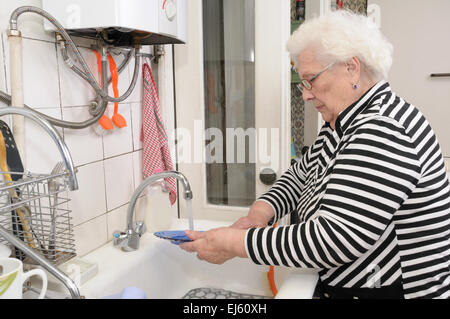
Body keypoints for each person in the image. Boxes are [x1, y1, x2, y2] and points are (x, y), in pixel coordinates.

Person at [180, 10, 450, 299]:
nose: (306, 94)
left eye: (310, 79)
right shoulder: (341, 125)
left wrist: (237, 243)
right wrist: (261, 212)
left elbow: (335, 238)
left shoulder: (383, 128)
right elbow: (300, 175)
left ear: (351, 68)